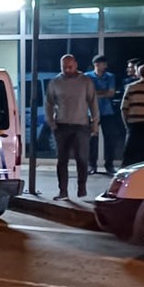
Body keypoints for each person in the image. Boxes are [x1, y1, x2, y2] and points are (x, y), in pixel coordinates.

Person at [44, 54, 100, 200]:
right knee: (62, 160)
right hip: (62, 125)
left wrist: (95, 123)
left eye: (70, 67)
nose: (67, 70)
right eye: (64, 67)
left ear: (75, 65)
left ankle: (82, 188)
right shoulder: (55, 82)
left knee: (82, 158)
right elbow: (48, 103)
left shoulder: (85, 81)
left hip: (81, 125)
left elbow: (93, 102)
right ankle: (63, 191)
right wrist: (51, 122)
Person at [84, 55, 123, 175]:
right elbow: (87, 93)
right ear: (96, 64)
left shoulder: (110, 76)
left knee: (110, 139)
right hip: (91, 112)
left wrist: (95, 93)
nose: (105, 66)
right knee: (91, 139)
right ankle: (92, 165)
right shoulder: (87, 76)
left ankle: (109, 165)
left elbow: (111, 93)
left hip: (107, 111)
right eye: (103, 64)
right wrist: (102, 92)